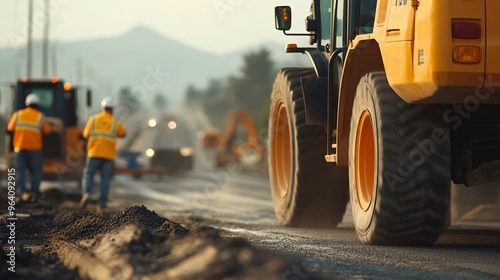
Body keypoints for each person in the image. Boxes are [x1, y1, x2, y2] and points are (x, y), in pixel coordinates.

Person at [79, 97, 126, 212]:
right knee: (105, 179)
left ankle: (87, 193)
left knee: (89, 174)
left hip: (94, 153)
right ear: (113, 109)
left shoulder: (93, 119)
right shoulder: (115, 122)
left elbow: (85, 134)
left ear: (102, 107)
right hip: (108, 156)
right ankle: (101, 205)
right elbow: (123, 134)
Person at [7, 93, 52, 202]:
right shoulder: (41, 116)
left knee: (20, 172)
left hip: (20, 149)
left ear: (27, 104)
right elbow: (47, 131)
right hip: (35, 150)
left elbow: (9, 129)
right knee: (36, 172)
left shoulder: (17, 115)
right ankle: (34, 193)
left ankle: (22, 193)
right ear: (37, 105)